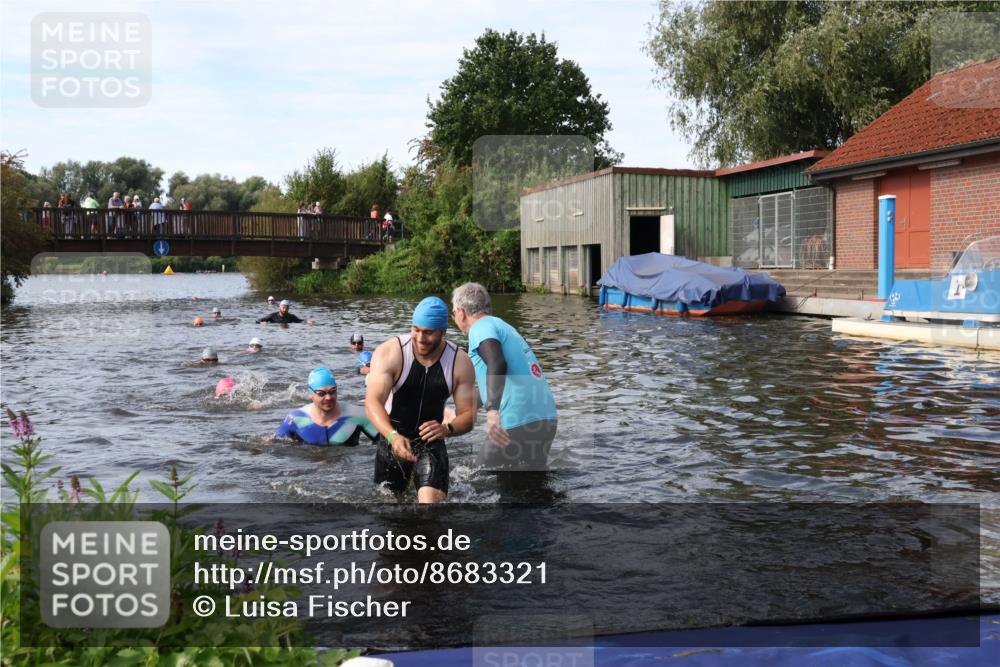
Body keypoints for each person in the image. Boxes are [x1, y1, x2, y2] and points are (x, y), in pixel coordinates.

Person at [365, 296, 477, 503]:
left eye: (428, 332)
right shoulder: (391, 352)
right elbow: (373, 403)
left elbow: (469, 416)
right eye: (416, 329)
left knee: (430, 508)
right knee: (388, 508)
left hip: (431, 442)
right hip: (393, 439)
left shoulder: (460, 362)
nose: (420, 338)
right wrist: (392, 436)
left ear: (443, 332)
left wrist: (447, 429)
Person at [451, 282, 558, 471]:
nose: (454, 318)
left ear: (461, 313)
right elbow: (494, 384)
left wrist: (492, 411)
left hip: (517, 420)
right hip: (546, 418)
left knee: (480, 480)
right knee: (530, 487)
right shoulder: (503, 326)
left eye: (453, 313)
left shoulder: (480, 328)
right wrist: (460, 411)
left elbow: (497, 363)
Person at [276, 368, 378, 446]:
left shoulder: (357, 415)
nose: (328, 397)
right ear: (311, 394)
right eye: (321, 393)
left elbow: (385, 443)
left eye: (332, 391)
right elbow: (275, 446)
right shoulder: (295, 418)